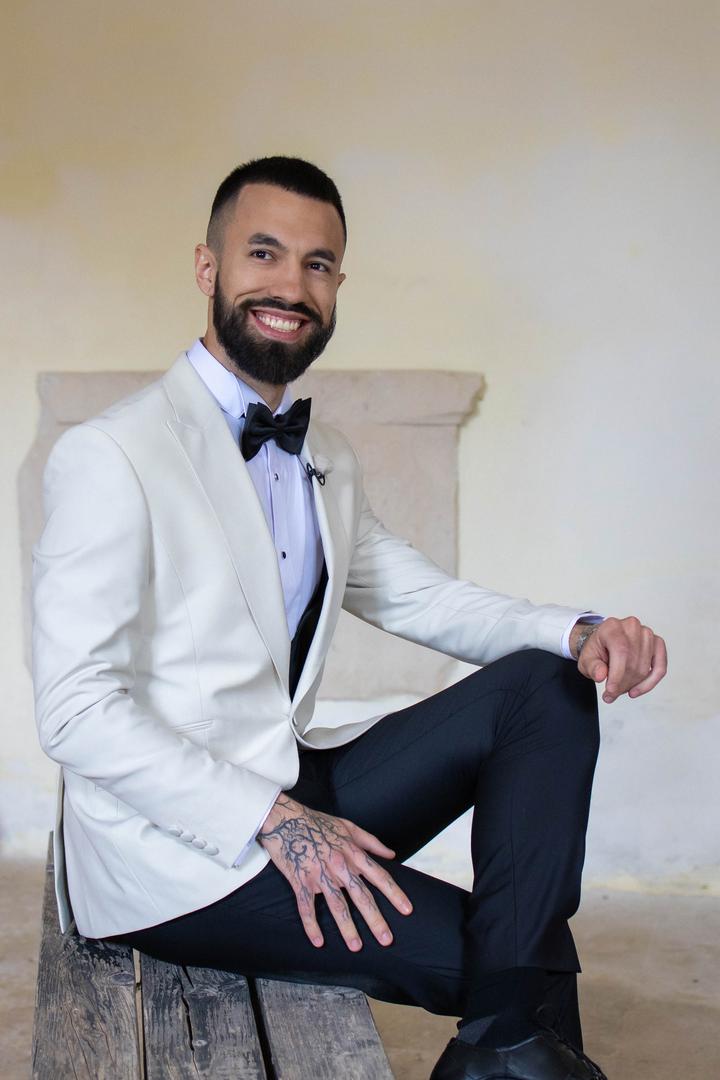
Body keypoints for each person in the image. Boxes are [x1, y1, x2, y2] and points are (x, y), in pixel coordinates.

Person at [32, 156, 666, 1080]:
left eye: (318, 264)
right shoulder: (112, 455)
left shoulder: (322, 454)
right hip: (175, 853)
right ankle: (504, 1043)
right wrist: (272, 820)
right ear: (208, 267)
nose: (292, 286)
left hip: (289, 772)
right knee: (518, 967)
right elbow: (75, 710)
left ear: (336, 285)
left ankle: (499, 1049)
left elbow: (419, 595)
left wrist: (578, 632)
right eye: (264, 253)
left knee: (544, 685)